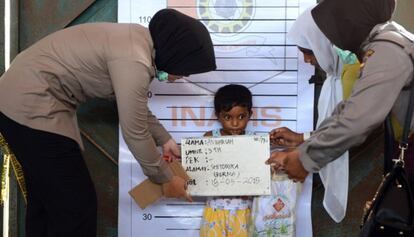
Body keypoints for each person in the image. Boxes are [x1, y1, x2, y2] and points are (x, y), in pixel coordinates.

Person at [0, 9, 216, 237]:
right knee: (76, 205)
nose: (182, 77)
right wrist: (166, 179)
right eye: (185, 69)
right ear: (176, 53)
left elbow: (136, 108)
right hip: (32, 103)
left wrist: (166, 140)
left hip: (21, 99)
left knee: (46, 201)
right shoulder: (134, 60)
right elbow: (135, 131)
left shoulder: (137, 42)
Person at [267, 0, 414, 193]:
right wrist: (307, 144)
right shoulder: (383, 43)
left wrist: (304, 159)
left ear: (349, 21)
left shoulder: (387, 50)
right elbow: (350, 109)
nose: (332, 35)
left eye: (334, 24)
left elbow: (359, 119)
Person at [271, 6, 361, 223]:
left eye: (308, 52)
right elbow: (339, 127)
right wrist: (302, 139)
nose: (307, 61)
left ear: (323, 44)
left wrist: (303, 156)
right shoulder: (336, 75)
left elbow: (352, 130)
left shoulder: (352, 73)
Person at [199, 84, 254, 237]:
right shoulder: (210, 138)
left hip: (244, 211)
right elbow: (198, 168)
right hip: (215, 209)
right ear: (218, 115)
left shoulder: (255, 142)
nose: (235, 123)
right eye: (228, 117)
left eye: (241, 117)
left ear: (250, 114)